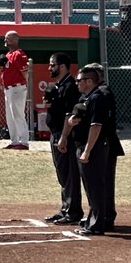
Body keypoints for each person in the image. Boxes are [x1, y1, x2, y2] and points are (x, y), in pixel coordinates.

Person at [60, 63, 123, 236]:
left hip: (95, 147)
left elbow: (96, 126)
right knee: (91, 186)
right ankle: (94, 220)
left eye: (79, 80)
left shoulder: (97, 97)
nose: (77, 83)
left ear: (89, 81)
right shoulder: (87, 97)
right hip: (86, 145)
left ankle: (97, 224)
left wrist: (87, 150)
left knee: (95, 186)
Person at [42, 53, 84, 227]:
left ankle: (73, 211)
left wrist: (64, 137)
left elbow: (69, 115)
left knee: (69, 173)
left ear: (62, 66)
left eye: (53, 65)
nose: (50, 68)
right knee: (62, 173)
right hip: (56, 133)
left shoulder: (70, 87)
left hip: (65, 135)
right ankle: (66, 208)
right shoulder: (58, 86)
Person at [0, 31, 30, 150]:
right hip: (9, 88)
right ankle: (14, 141)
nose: (5, 40)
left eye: (7, 38)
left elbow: (25, 71)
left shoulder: (18, 54)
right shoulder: (8, 54)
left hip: (17, 87)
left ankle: (24, 142)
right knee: (10, 117)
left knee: (18, 115)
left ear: (15, 40)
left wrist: (24, 85)